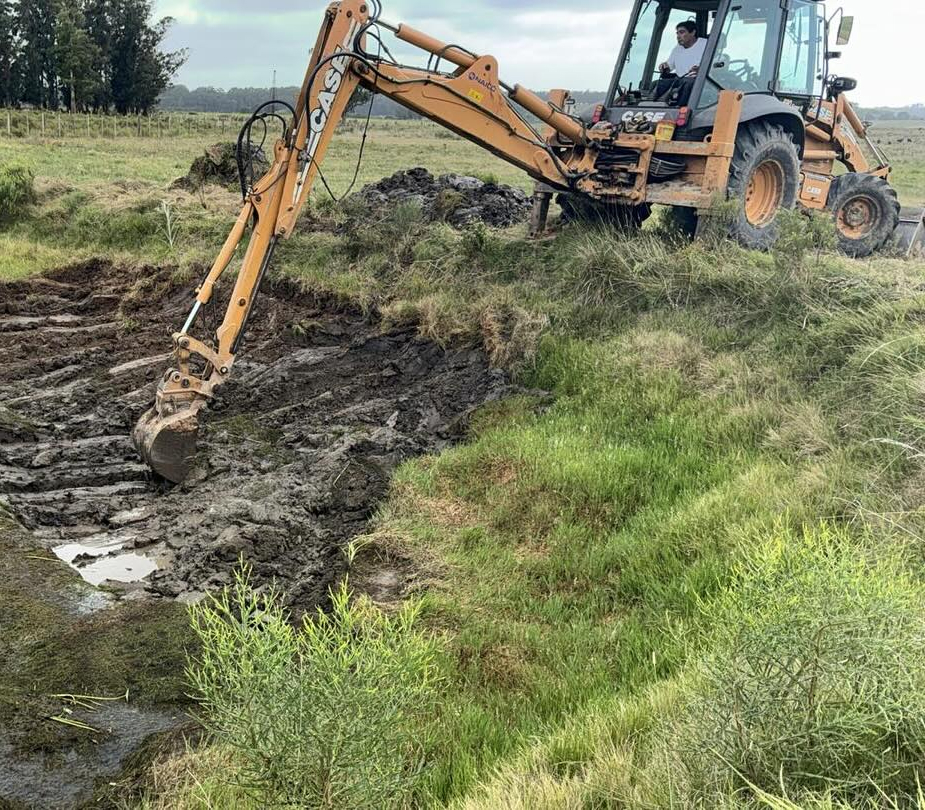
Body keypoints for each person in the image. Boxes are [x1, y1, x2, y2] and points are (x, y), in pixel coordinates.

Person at [654, 20, 706, 104]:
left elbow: (714, 64)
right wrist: (664, 66)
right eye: (677, 33)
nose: (678, 36)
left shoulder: (705, 44)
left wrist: (701, 69)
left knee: (687, 84)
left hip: (700, 81)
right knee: (657, 84)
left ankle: (681, 108)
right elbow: (669, 66)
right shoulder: (677, 49)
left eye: (682, 32)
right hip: (680, 80)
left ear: (693, 33)